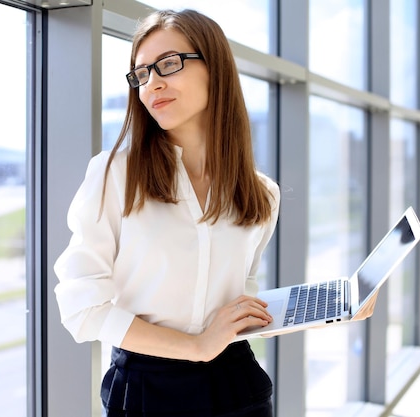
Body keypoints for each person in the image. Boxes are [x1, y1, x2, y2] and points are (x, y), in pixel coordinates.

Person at [54, 9, 280, 417]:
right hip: (147, 389)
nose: (152, 83)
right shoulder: (115, 174)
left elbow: (239, 292)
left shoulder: (262, 192)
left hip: (237, 383)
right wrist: (195, 347)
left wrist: (319, 311)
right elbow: (81, 307)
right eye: (141, 74)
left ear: (216, 68)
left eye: (169, 64)